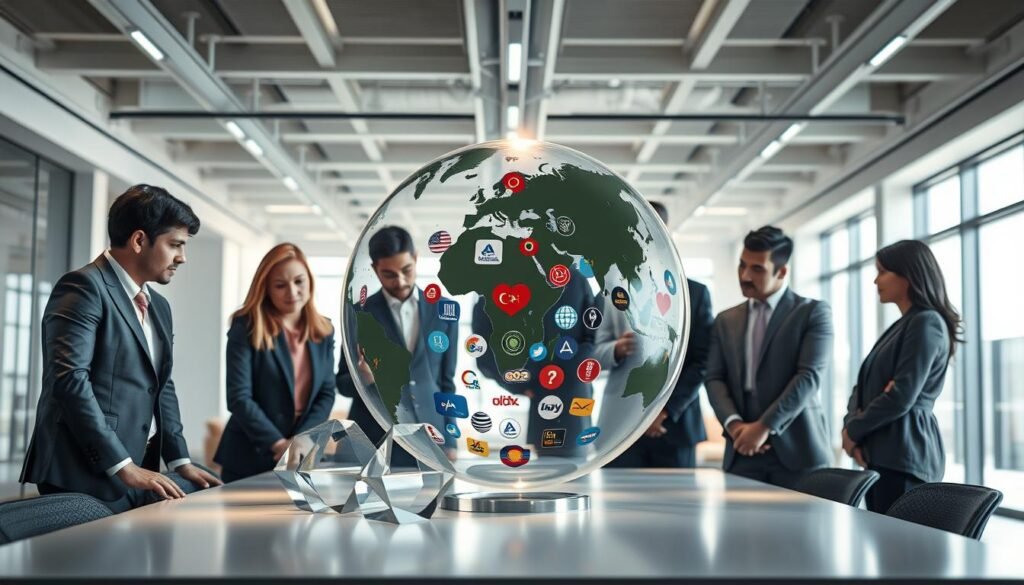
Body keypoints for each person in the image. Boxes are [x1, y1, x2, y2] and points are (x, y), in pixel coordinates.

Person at [20, 184, 221, 512]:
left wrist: (180, 460)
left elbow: (161, 385)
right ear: (139, 240)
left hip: (141, 469)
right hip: (86, 471)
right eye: (175, 245)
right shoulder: (83, 287)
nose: (182, 258)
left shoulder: (159, 306)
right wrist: (122, 464)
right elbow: (69, 381)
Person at [705, 226, 833, 489]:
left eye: (757, 269)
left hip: (798, 450)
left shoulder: (813, 313)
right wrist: (735, 426)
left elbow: (808, 377)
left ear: (782, 272)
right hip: (741, 449)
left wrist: (763, 427)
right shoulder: (725, 320)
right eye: (742, 265)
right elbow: (714, 377)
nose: (745, 275)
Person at [842, 240, 961, 512]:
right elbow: (862, 388)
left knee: (896, 539)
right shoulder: (903, 325)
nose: (876, 280)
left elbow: (900, 396)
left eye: (883, 272)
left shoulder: (926, 322)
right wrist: (851, 430)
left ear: (909, 275)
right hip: (883, 453)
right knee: (881, 536)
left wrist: (854, 430)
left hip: (905, 455)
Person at [602, 201, 713, 468]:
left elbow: (703, 361)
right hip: (622, 426)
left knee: (678, 496)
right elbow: (593, 347)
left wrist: (664, 412)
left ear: (665, 234)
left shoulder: (695, 294)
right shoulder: (613, 290)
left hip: (675, 426)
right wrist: (614, 349)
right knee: (615, 495)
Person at [214, 243, 338, 482]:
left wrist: (302, 439)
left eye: (299, 281)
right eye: (280, 285)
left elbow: (326, 392)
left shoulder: (325, 330)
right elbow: (239, 397)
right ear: (266, 288)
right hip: (251, 454)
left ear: (310, 281)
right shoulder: (246, 326)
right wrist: (278, 444)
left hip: (303, 454)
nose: (292, 292)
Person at [336, 226, 457, 465]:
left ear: (416, 259)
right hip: (373, 440)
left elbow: (447, 383)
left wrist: (451, 439)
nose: (400, 281)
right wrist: (364, 379)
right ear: (375, 269)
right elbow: (342, 383)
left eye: (406, 270)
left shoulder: (444, 311)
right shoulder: (358, 314)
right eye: (389, 274)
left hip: (430, 438)